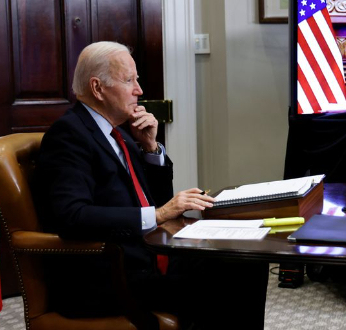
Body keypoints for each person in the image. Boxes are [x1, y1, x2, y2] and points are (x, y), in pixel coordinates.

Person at [34, 41, 268, 329]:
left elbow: (157, 200)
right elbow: (71, 216)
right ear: (98, 88)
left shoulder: (118, 133)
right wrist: (157, 215)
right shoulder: (69, 135)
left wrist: (150, 149)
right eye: (129, 80)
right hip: (110, 275)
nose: (139, 90)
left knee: (246, 258)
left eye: (137, 80)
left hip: (146, 258)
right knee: (228, 279)